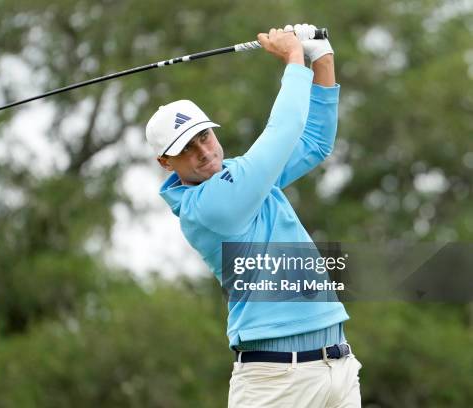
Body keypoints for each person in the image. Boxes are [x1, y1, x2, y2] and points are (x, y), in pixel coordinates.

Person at [145, 24, 362, 407]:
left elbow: (314, 142)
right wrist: (294, 59)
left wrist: (322, 57)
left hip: (338, 367)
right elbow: (285, 129)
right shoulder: (208, 207)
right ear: (166, 162)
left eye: (204, 137)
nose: (204, 152)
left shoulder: (244, 175)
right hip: (274, 380)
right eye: (186, 148)